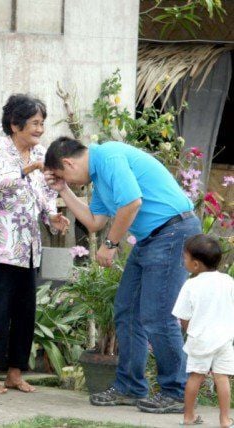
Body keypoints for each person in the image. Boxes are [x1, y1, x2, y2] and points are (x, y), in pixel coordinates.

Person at [44, 137, 201, 413]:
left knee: (158, 314)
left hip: (172, 232)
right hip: (151, 238)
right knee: (127, 309)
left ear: (68, 162)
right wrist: (64, 190)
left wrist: (111, 244)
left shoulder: (109, 157)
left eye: (62, 174)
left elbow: (132, 203)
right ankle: (130, 387)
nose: (72, 181)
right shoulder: (99, 176)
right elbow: (94, 222)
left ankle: (177, 392)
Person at [0, 95, 69, 394]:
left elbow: (44, 194)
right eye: (34, 123)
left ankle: (15, 373)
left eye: (42, 123)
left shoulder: (39, 152)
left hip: (28, 249)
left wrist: (52, 217)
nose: (40, 130)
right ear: (15, 124)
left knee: (25, 313)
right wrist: (29, 168)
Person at [172, 234, 234, 427]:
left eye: (185, 258)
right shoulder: (228, 281)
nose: (184, 261)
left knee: (195, 377)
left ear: (196, 264)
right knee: (222, 378)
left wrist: (190, 331)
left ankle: (188, 416)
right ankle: (225, 419)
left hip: (199, 338)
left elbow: (183, 315)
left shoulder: (191, 284)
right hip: (224, 339)